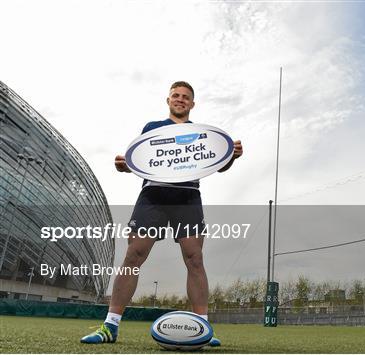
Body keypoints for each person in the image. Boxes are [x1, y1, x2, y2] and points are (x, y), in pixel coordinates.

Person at [81, 81, 243, 346]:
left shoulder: (202, 134)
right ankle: (110, 326)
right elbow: (143, 161)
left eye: (186, 97)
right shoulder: (152, 129)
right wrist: (127, 167)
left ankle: (203, 329)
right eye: (176, 96)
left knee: (195, 259)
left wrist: (232, 156)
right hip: (153, 195)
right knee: (133, 255)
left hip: (187, 195)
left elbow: (218, 165)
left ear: (192, 104)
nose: (180, 100)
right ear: (168, 100)